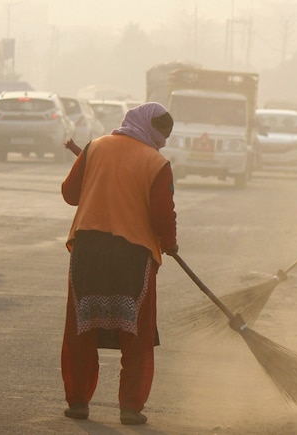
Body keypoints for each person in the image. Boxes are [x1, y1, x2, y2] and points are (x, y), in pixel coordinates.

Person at [60, 102, 178, 426]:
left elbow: (70, 193)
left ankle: (78, 402)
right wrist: (170, 243)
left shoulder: (95, 147)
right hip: (133, 254)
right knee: (136, 334)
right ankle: (130, 408)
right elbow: (162, 215)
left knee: (82, 327)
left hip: (88, 248)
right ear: (152, 131)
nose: (163, 142)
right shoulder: (157, 163)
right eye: (162, 135)